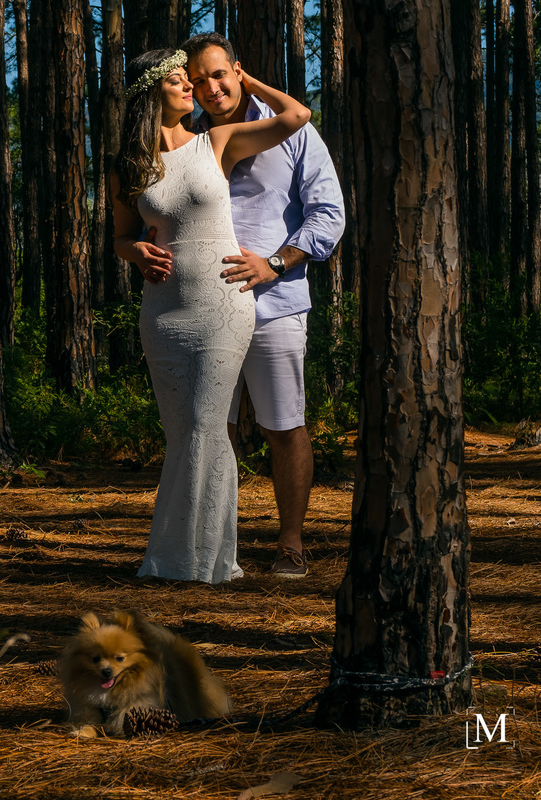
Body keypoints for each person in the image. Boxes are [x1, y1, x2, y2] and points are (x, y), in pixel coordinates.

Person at [111, 48, 311, 584]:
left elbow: (297, 117)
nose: (191, 89)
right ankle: (201, 554)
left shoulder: (215, 142)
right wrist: (135, 253)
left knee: (205, 425)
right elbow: (121, 236)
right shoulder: (129, 164)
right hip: (164, 313)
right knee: (184, 434)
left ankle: (196, 563)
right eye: (178, 82)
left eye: (191, 81)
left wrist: (248, 79)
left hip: (222, 304)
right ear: (152, 92)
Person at [182, 32, 346, 578]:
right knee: (211, 428)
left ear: (239, 71)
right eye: (198, 79)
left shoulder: (295, 132)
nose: (210, 87)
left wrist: (273, 263)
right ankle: (213, 543)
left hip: (276, 302)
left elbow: (328, 214)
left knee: (284, 424)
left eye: (218, 74)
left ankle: (291, 542)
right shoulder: (185, 138)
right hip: (203, 309)